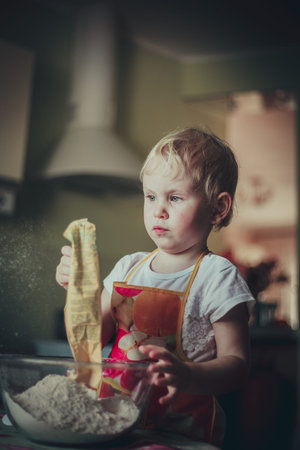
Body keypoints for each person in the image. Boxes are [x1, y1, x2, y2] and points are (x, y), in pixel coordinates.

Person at [56, 127, 255, 446]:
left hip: (181, 431)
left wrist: (188, 376)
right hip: (115, 422)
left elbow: (238, 366)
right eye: (151, 196)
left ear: (218, 208)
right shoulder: (127, 267)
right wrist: (78, 292)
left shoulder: (217, 276)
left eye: (174, 197)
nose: (158, 210)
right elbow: (90, 342)